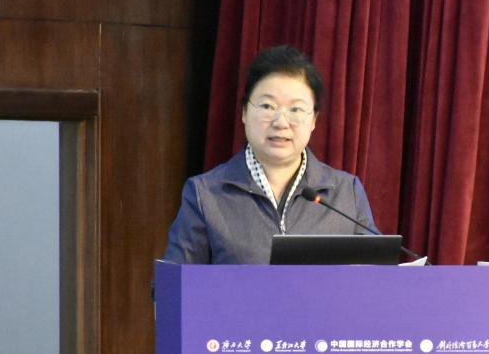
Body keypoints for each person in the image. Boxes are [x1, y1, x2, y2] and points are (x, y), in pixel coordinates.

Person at [162, 45, 378, 264]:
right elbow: (174, 281)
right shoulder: (205, 194)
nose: (281, 122)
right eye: (267, 106)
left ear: (313, 119)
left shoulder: (346, 193)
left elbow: (378, 276)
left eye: (295, 109)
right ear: (244, 112)